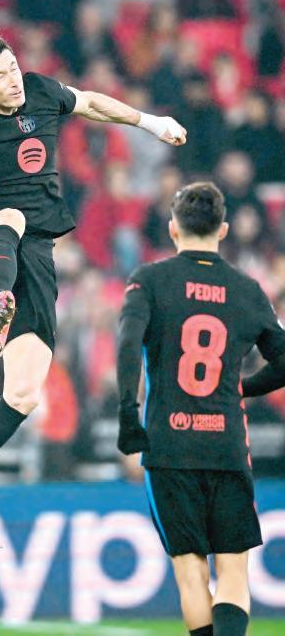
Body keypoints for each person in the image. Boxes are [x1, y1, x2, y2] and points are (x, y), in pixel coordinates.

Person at [0, 33, 186, 541]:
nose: (13, 80)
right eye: (0, 76)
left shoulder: (39, 90)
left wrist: (152, 123)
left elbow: (92, 103)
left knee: (23, 396)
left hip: (34, 260)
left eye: (13, 67)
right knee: (9, 217)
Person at [116, 181, 285, 636]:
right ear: (223, 229)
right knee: (233, 573)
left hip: (168, 447)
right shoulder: (247, 289)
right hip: (226, 444)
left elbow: (128, 344)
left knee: (191, 573)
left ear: (173, 228)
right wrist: (242, 388)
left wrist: (128, 412)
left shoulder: (149, 281)